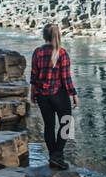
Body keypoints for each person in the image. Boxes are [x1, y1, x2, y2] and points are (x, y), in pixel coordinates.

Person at [30, 22, 78, 169]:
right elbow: (66, 77)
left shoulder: (37, 52)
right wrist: (74, 94)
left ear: (44, 36)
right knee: (66, 123)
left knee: (49, 126)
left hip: (42, 95)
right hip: (59, 95)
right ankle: (57, 156)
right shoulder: (62, 53)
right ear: (58, 35)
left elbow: (34, 75)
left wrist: (32, 94)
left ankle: (53, 157)